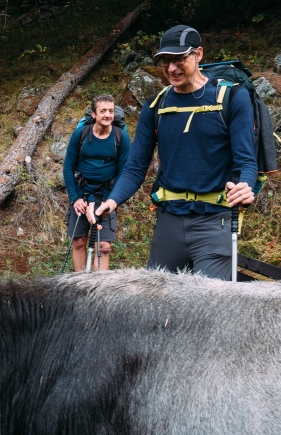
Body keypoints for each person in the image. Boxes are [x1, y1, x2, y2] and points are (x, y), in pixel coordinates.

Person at [94, 25, 257, 280]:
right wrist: (111, 202)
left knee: (207, 306)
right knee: (155, 307)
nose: (171, 68)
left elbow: (246, 160)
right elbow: (136, 167)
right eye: (165, 61)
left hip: (215, 222)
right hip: (169, 222)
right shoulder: (155, 106)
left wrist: (245, 185)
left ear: (198, 55)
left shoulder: (233, 98)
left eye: (179, 59)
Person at [63, 94, 131, 271]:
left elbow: (124, 174)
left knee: (104, 247)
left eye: (111, 111)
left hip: (106, 196)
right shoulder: (81, 134)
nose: (108, 115)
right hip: (81, 194)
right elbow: (68, 167)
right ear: (93, 114)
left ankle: (99, 292)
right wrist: (74, 198)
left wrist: (109, 202)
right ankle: (80, 288)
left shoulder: (121, 137)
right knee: (79, 241)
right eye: (103, 111)